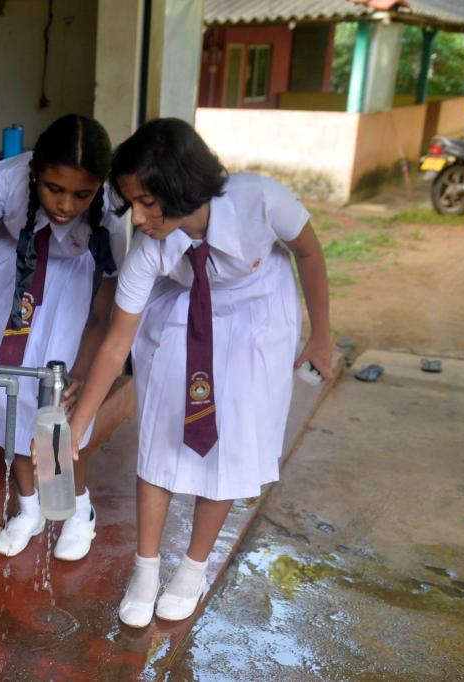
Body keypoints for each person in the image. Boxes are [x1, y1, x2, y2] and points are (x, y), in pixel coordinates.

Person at [66, 118, 332, 628]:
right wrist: (82, 420)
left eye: (148, 202)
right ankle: (145, 570)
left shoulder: (261, 199)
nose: (139, 217)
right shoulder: (152, 247)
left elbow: (309, 253)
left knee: (226, 442)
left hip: (257, 315)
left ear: (182, 185)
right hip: (186, 310)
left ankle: (193, 567)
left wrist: (321, 334)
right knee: (161, 435)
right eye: (131, 204)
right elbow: (117, 338)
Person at [0, 114, 127, 561]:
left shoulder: (112, 206)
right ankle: (29, 508)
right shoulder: (7, 180)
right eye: (54, 189)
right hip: (10, 280)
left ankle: (77, 510)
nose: (67, 205)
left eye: (80, 194)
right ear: (34, 174)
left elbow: (102, 311)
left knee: (59, 407)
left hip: (73, 292)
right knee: (8, 396)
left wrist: (84, 371)